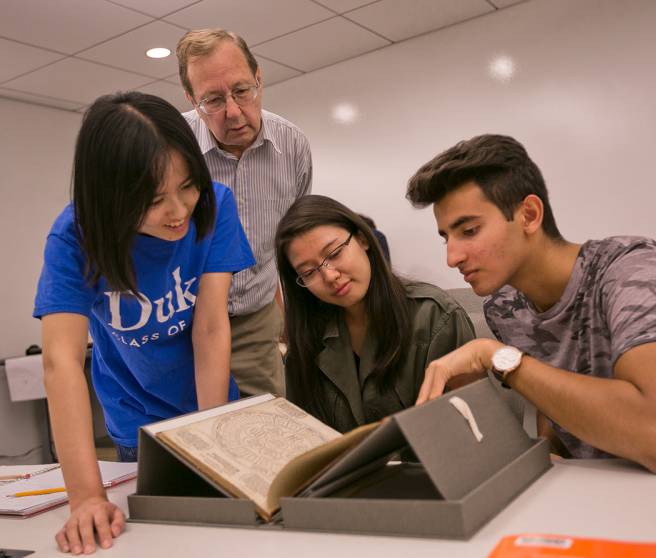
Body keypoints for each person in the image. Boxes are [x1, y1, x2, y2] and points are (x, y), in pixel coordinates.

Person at [406, 134, 656, 473]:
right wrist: (549, 451)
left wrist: (497, 356)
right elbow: (556, 396)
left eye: (468, 231)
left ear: (528, 215)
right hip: (600, 490)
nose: (452, 257)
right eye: (445, 237)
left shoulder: (635, 272)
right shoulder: (504, 306)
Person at [33, 92, 254, 553]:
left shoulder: (216, 204)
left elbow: (210, 328)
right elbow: (61, 363)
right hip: (137, 421)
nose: (178, 212)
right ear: (109, 197)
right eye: (154, 200)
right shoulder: (76, 236)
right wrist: (87, 497)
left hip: (211, 407)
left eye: (188, 185)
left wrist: (208, 439)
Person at [177, 28, 312, 398]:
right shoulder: (171, 147)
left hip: (254, 322)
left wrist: (292, 315)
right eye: (213, 100)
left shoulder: (292, 145)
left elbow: (294, 241)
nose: (234, 113)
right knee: (183, 437)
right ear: (191, 99)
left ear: (259, 79)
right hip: (181, 327)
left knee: (265, 434)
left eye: (241, 90)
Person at [275, 195, 476, 432]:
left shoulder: (435, 317)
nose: (329, 276)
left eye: (335, 253)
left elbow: (465, 433)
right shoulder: (307, 339)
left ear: (362, 240)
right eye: (309, 272)